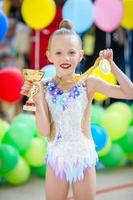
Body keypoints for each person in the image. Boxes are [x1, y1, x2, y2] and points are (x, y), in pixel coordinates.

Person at [20, 20, 133, 200]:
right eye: (59, 53)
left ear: (80, 55)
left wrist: (112, 65)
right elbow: (44, 130)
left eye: (71, 53)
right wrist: (38, 99)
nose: (65, 58)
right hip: (57, 158)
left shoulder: (89, 83)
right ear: (49, 56)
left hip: (83, 157)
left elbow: (130, 92)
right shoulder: (43, 87)